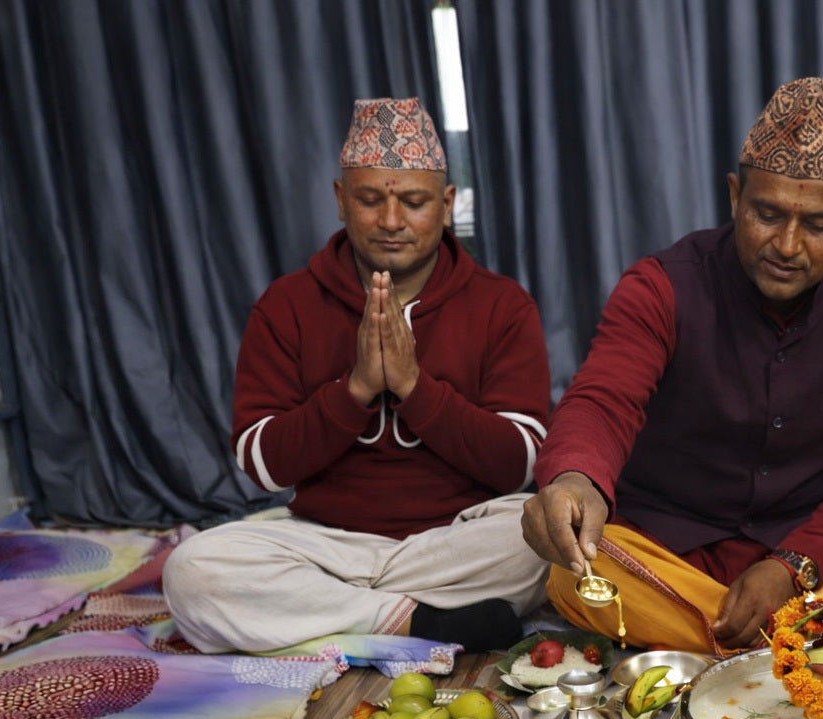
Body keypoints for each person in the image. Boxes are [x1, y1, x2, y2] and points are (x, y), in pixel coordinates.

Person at [521, 77, 823, 653]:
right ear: (734, 196)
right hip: (673, 543)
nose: (787, 245)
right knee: (575, 575)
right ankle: (801, 650)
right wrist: (574, 478)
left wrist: (790, 565)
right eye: (767, 214)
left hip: (816, 548)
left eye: (817, 225)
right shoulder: (662, 286)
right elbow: (602, 399)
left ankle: (723, 645)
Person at [165, 97, 550, 654]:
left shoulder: (503, 305)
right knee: (192, 571)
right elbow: (263, 467)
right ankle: (420, 621)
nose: (391, 221)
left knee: (538, 536)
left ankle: (333, 610)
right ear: (341, 200)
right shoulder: (286, 304)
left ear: (446, 205)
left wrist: (416, 388)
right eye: (370, 200)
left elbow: (520, 466)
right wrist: (357, 390)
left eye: (413, 202)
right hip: (326, 544)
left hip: (457, 540)